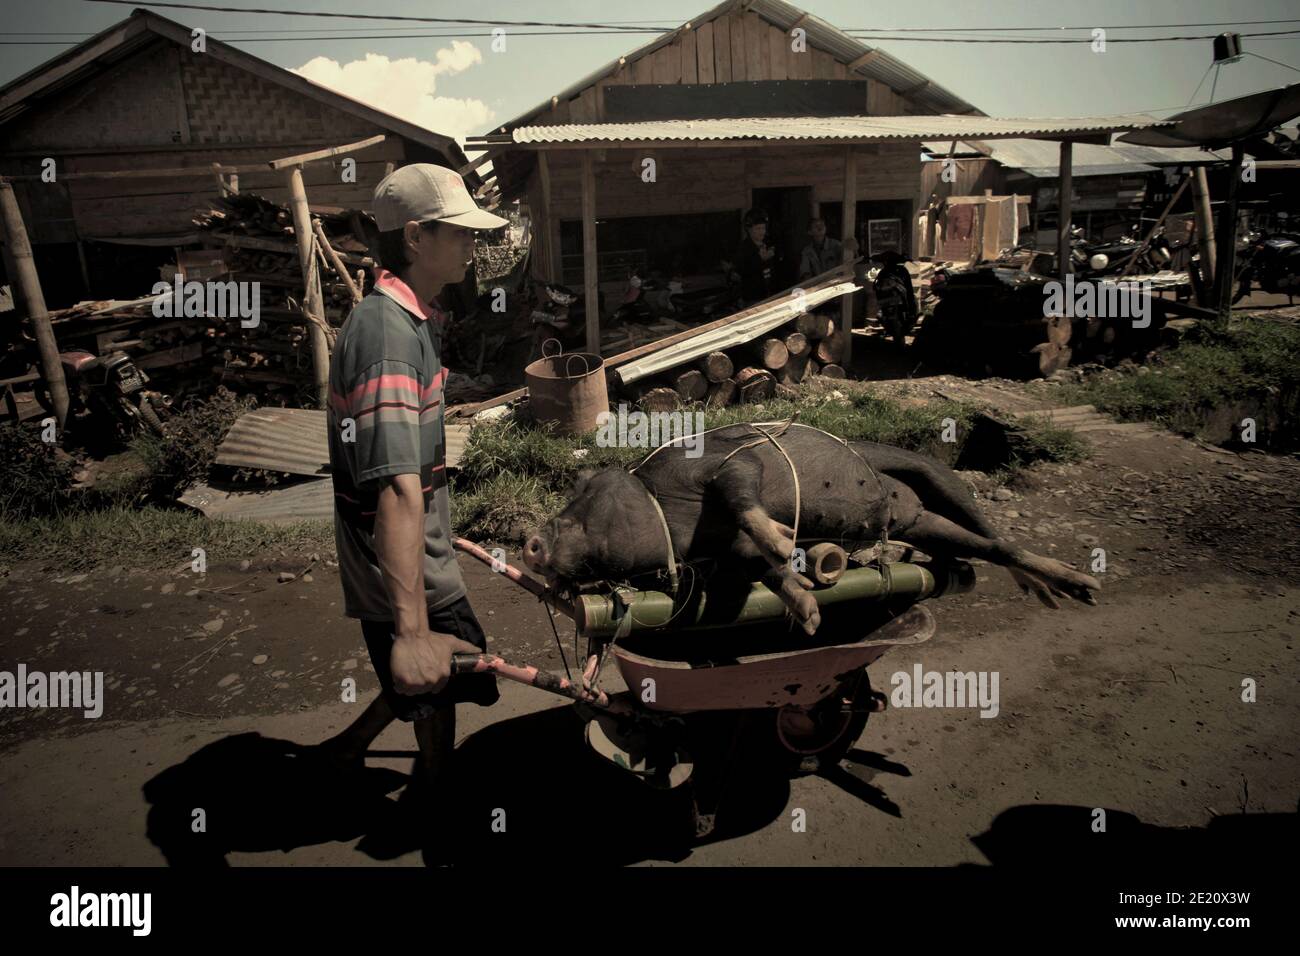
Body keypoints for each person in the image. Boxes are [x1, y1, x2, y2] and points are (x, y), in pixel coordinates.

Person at [317, 163, 508, 811]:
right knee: (436, 670)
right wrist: (409, 628)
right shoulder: (388, 339)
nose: (472, 246)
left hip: (414, 539)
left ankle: (353, 747)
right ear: (418, 237)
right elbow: (396, 489)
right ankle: (436, 795)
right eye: (460, 233)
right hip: (396, 549)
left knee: (443, 673)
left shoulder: (410, 320)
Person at [732, 208, 779, 305]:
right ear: (749, 229)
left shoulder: (769, 244)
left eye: (763, 228)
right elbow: (741, 272)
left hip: (771, 296)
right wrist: (760, 259)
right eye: (758, 228)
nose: (762, 232)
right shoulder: (744, 249)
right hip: (753, 299)